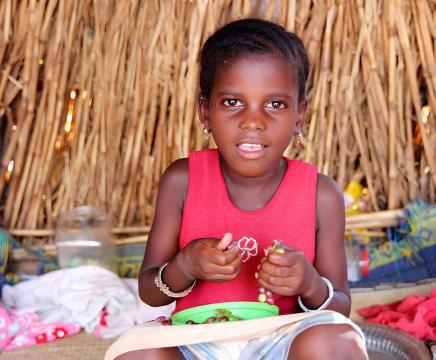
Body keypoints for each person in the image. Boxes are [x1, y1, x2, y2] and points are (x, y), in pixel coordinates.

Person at [113, 18, 368, 360]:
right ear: (206, 111)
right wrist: (184, 267)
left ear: (299, 116)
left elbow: (340, 305)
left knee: (335, 340)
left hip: (283, 341)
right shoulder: (182, 180)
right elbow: (151, 293)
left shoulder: (321, 195)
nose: (253, 121)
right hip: (197, 343)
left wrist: (309, 283)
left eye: (275, 104)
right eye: (233, 102)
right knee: (138, 353)